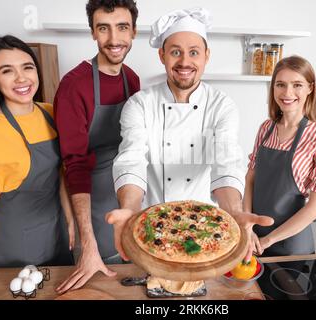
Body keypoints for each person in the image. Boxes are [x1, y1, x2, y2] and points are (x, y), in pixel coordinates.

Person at [106, 7, 274, 263]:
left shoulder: (222, 105)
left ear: (207, 55)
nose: (185, 62)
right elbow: (132, 160)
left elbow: (226, 161)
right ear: (162, 55)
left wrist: (234, 211)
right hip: (152, 226)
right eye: (175, 52)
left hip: (206, 229)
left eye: (194, 52)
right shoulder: (140, 104)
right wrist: (129, 209)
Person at [0, 35, 74, 297]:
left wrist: (69, 218)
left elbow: (60, 173)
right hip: (12, 250)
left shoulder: (52, 113)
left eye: (27, 67)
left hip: (56, 238)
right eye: (7, 71)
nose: (21, 79)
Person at [54, 0, 140, 293]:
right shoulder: (73, 87)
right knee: (98, 289)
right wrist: (87, 243)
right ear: (93, 32)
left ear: (134, 32)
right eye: (104, 28)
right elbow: (74, 165)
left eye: (122, 28)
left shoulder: (132, 79)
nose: (114, 40)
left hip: (127, 202)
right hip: (92, 210)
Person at [244, 56, 316, 257]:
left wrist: (268, 240)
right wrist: (247, 227)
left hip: (291, 247)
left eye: (297, 85)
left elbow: (315, 209)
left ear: (310, 88)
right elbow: (250, 179)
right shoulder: (266, 128)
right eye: (280, 84)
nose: (287, 93)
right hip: (253, 240)